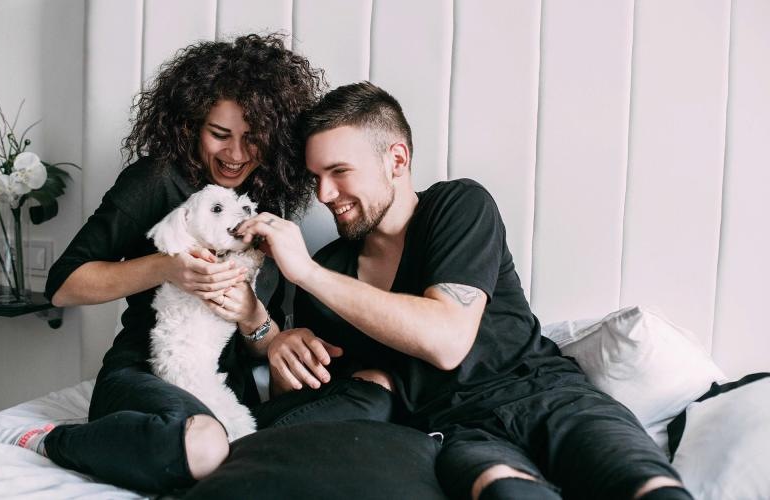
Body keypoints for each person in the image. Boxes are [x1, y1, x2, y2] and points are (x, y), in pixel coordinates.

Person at [236, 81, 695, 500]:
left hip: (551, 399)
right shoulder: (328, 271)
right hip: (459, 434)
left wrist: (306, 274)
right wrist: (281, 350)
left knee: (646, 488)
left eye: (339, 172)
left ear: (397, 160)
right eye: (316, 177)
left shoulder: (457, 206)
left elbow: (447, 340)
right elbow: (326, 408)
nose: (325, 194)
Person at [0, 34, 323, 492]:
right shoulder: (155, 180)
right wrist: (167, 267)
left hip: (224, 382)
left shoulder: (266, 204)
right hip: (142, 371)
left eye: (253, 139)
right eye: (219, 134)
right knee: (203, 445)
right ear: (190, 124)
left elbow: (261, 342)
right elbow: (64, 285)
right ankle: (55, 441)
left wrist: (252, 316)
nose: (236, 155)